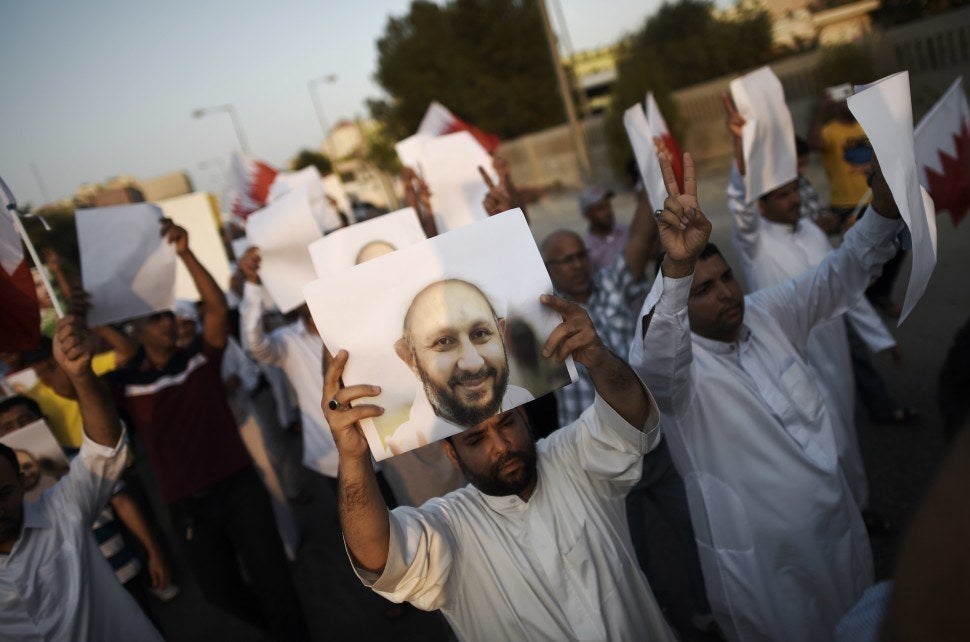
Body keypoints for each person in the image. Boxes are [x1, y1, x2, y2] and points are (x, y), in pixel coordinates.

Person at [629, 149, 907, 641]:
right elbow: (657, 362)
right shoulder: (679, 379)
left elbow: (839, 273)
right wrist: (677, 269)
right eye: (704, 290)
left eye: (726, 278)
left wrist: (884, 208)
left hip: (836, 529)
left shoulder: (767, 312)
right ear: (678, 306)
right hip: (765, 569)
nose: (726, 294)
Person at [326, 293, 676, 641]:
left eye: (506, 424)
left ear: (524, 414)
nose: (500, 446)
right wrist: (354, 459)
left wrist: (599, 359)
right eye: (476, 440)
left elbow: (630, 421)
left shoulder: (574, 456)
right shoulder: (449, 527)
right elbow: (380, 557)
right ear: (452, 454)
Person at [104, 219, 309, 641]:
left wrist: (185, 252)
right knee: (220, 593)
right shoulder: (125, 383)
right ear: (138, 331)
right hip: (187, 507)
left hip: (239, 488)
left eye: (168, 315)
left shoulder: (200, 359)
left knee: (276, 583)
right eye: (156, 318)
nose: (167, 323)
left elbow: (216, 308)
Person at [722, 94, 903, 527]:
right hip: (787, 355)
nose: (793, 201)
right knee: (813, 435)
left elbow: (845, 287)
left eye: (793, 193)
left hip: (833, 351)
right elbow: (739, 205)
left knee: (845, 430)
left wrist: (881, 338)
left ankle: (859, 508)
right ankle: (829, 516)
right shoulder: (755, 242)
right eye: (781, 196)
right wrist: (741, 147)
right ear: (762, 204)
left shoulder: (812, 234)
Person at [0, 315, 162, 641]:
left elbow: (104, 451)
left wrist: (81, 375)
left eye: (2, 492)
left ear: (20, 482)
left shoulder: (61, 509)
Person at [0, 393, 173, 629]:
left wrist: (154, 550)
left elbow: (122, 500)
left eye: (25, 421)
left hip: (117, 569)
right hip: (62, 590)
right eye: (7, 428)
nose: (18, 430)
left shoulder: (80, 460)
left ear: (44, 420)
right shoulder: (8, 486)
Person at [389, 278, 533, 454]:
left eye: (480, 334)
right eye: (444, 341)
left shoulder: (521, 398)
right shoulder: (404, 447)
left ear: (501, 336)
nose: (473, 363)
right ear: (412, 360)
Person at [578, 186, 630, 271]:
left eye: (608, 206)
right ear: (587, 215)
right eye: (600, 208)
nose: (608, 212)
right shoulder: (587, 249)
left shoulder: (627, 231)